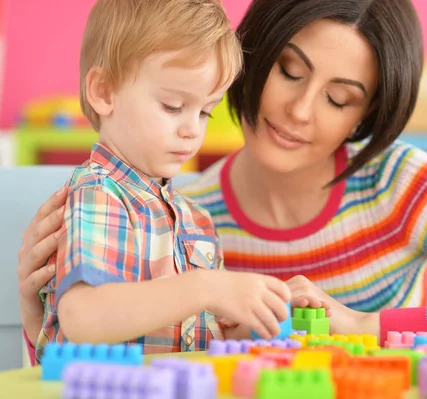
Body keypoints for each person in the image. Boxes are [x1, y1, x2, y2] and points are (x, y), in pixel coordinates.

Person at [19, 0, 427, 365]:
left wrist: (366, 327)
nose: (299, 110)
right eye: (288, 71)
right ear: (250, 57)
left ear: (365, 116)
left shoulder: (403, 184)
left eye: (339, 98)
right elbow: (116, 365)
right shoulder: (185, 219)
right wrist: (34, 309)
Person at [32, 0, 302, 364]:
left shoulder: (196, 221)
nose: (193, 130)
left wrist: (267, 315)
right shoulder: (100, 191)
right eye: (173, 106)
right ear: (104, 92)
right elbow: (82, 315)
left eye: (206, 110)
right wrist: (205, 287)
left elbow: (209, 336)